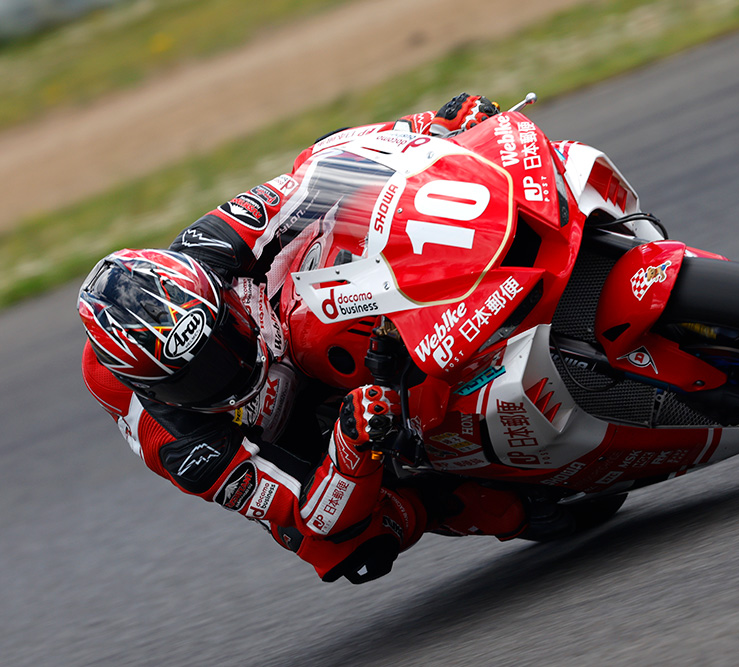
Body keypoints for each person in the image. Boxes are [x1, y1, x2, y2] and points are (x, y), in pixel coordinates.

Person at [78, 94, 541, 584]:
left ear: (215, 290)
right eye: (199, 378)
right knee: (345, 547)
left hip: (285, 315)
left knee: (340, 189)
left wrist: (431, 124)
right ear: (155, 390)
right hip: (274, 430)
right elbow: (310, 514)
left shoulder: (210, 246)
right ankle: (461, 499)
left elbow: (320, 170)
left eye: (225, 335)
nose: (231, 367)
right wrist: (350, 446)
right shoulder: (182, 445)